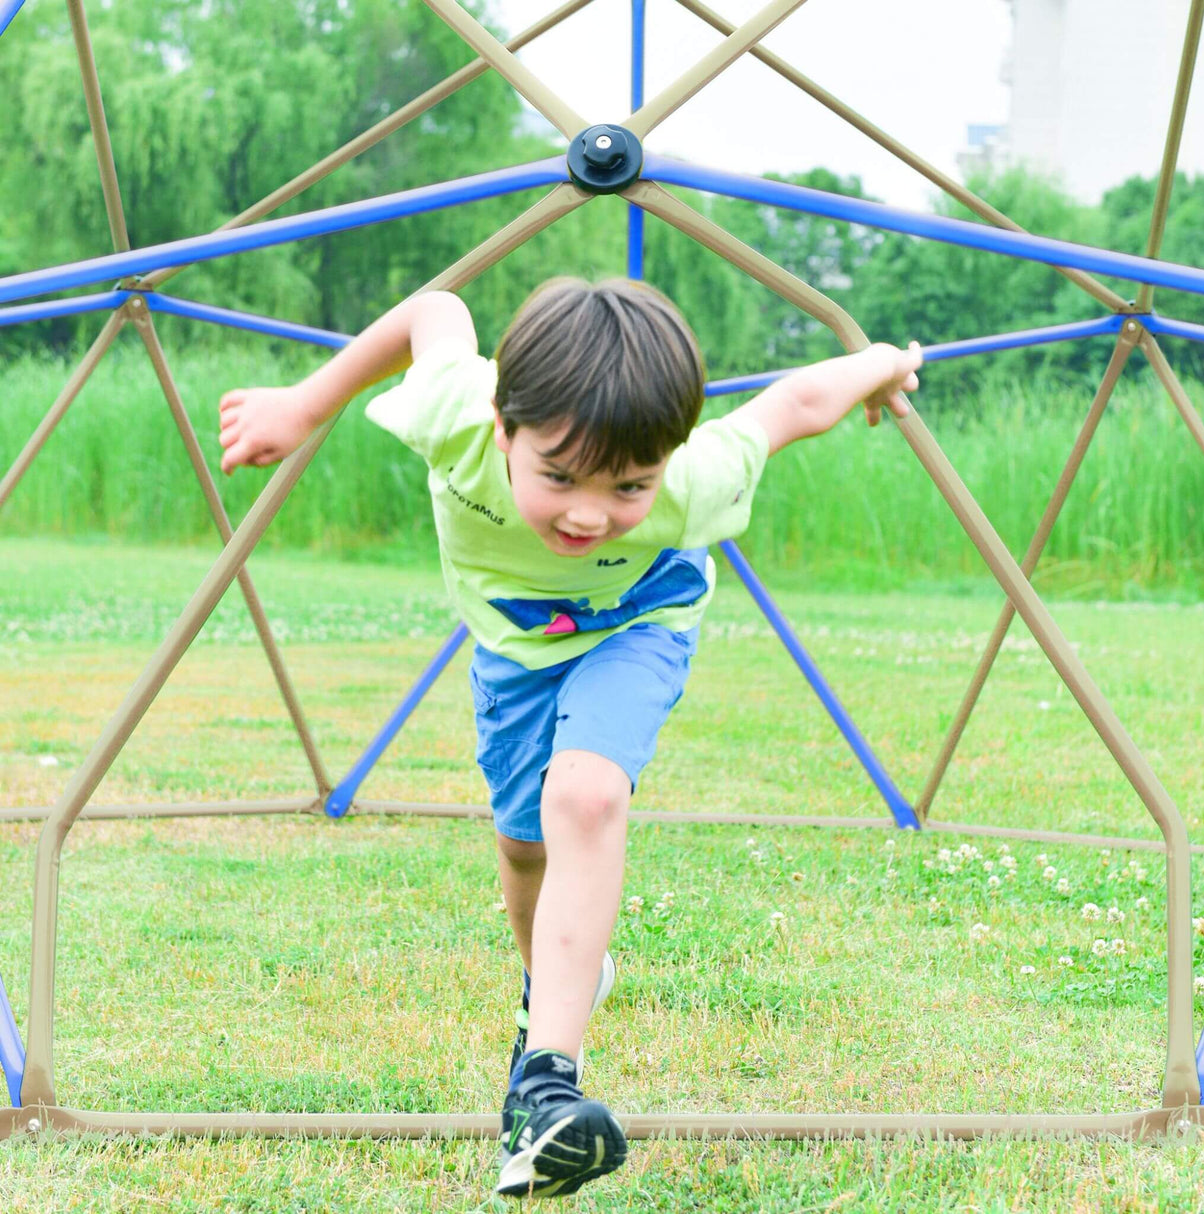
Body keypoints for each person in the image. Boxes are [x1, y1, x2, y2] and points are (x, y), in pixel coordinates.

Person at [218, 278, 920, 1197]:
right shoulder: (458, 416)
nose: (590, 515)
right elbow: (434, 311)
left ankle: (545, 1083)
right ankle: (552, 988)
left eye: (631, 486)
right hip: (514, 657)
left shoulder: (694, 480)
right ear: (506, 433)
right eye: (558, 477)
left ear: (666, 460)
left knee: (585, 794)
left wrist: (880, 365)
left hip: (639, 631)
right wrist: (303, 406)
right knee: (523, 850)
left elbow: (792, 404)